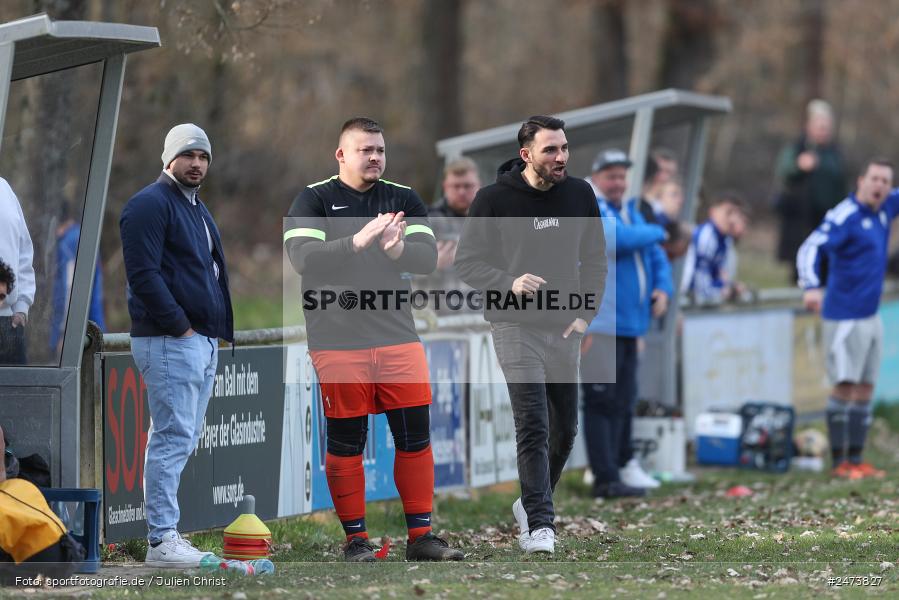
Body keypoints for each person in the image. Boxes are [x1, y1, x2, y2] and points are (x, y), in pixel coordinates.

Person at [284, 117, 463, 562]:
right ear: (341, 155)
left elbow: (427, 258)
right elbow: (304, 259)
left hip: (398, 336)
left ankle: (421, 537)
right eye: (365, 150)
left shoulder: (403, 198)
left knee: (415, 435)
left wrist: (398, 250)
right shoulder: (313, 199)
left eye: (380, 150)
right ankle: (356, 541)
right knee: (347, 440)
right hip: (337, 339)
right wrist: (359, 241)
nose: (375, 157)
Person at [455, 115, 607, 554]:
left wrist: (584, 317)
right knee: (534, 424)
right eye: (550, 150)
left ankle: (530, 503)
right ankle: (540, 525)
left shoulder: (580, 194)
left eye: (564, 148)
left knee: (566, 431)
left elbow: (595, 261)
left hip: (565, 328)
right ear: (526, 155)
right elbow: (467, 262)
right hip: (514, 325)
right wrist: (508, 281)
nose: (561, 157)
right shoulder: (493, 199)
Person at [120, 123, 234, 567]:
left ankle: (167, 534)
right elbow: (142, 275)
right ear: (169, 158)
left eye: (203, 156)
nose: (197, 163)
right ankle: (161, 540)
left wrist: (208, 332)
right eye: (188, 155)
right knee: (171, 438)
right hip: (170, 340)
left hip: (198, 341)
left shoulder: (196, 207)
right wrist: (181, 327)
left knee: (181, 438)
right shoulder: (149, 204)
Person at [797, 157, 899, 480]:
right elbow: (810, 247)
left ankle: (857, 459)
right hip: (844, 315)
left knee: (866, 387)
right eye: (874, 179)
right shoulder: (845, 216)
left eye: (885, 181)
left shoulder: (886, 207)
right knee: (845, 385)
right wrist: (811, 286)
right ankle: (839, 462)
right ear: (861, 181)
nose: (879, 186)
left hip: (871, 315)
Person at [582, 149, 673, 498]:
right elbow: (615, 240)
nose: (618, 183)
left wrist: (663, 288)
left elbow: (656, 256)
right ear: (597, 177)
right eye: (611, 176)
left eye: (622, 176)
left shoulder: (629, 210)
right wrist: (657, 230)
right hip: (600, 323)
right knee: (601, 401)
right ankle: (604, 478)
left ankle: (622, 464)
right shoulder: (590, 206)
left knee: (623, 399)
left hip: (630, 323)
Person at [776, 99, 847, 282]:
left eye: (826, 127)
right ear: (809, 126)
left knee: (826, 268)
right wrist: (799, 166)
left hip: (828, 220)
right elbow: (784, 173)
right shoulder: (798, 148)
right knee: (802, 267)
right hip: (802, 222)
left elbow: (842, 184)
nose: (823, 130)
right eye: (820, 126)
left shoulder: (835, 153)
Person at [421, 157, 481, 312]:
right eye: (456, 186)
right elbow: (404, 271)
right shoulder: (426, 222)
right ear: (445, 187)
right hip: (443, 318)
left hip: (483, 317)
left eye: (467, 186)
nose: (462, 191)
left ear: (478, 186)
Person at [49, 204, 106, 355]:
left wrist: (63, 334)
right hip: (94, 328)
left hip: (76, 335)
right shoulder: (83, 236)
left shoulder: (68, 244)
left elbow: (69, 289)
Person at [681, 193, 747, 305]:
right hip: (690, 301)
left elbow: (720, 275)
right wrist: (722, 291)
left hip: (704, 300)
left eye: (736, 214)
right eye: (728, 212)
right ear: (713, 211)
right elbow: (699, 283)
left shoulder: (725, 239)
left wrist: (730, 286)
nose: (733, 219)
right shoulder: (706, 237)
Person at [0, 178, 35, 365]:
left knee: (18, 385)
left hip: (9, 322)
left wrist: (21, 307)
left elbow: (24, 252)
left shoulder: (4, 189)